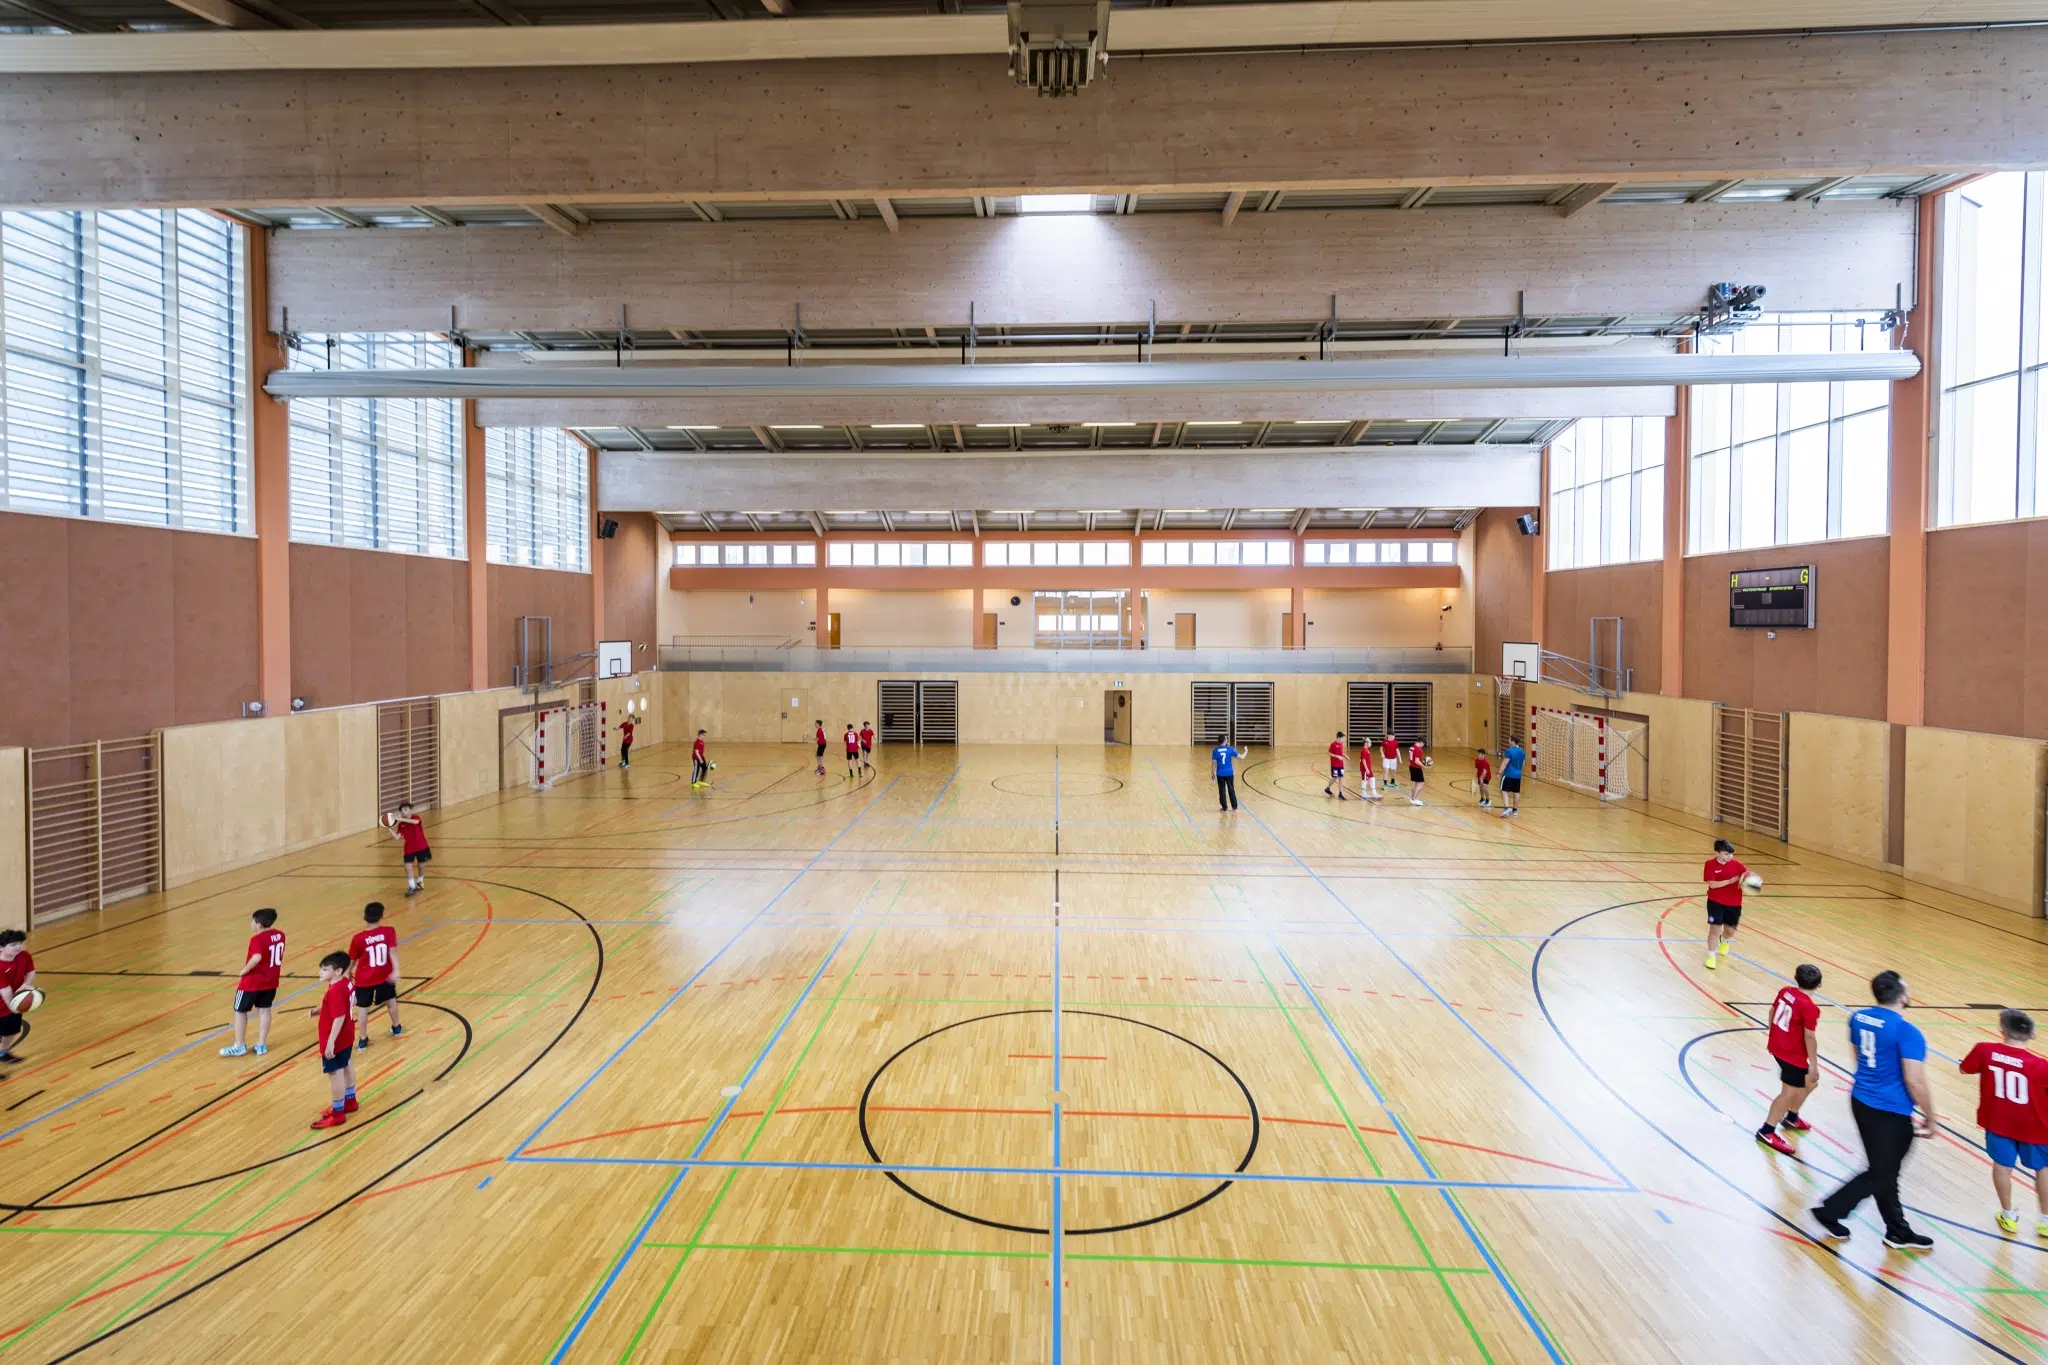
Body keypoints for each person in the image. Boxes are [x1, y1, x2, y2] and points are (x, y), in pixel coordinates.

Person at [1811, 970, 1936, 1249]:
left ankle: (1897, 1231)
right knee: (1882, 1172)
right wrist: (1931, 1115)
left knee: (1884, 1170)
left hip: (1861, 1100)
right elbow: (1914, 1080)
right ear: (1903, 996)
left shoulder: (1858, 1018)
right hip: (1890, 1112)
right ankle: (1830, 1211)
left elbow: (1857, 1058)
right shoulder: (1907, 1032)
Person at [1960, 1009, 2048, 1235]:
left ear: (2001, 1030)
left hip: (1998, 1123)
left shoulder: (1985, 1051)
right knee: (2043, 1169)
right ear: (2033, 1034)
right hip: (2035, 1127)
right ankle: (2045, 1221)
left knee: (2002, 1166)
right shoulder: (2042, 1066)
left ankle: (2008, 1216)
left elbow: (1965, 1068)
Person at [1757, 963, 1823, 1155]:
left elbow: (1772, 1012)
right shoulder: (1810, 1007)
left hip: (1778, 1047)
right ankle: (1767, 1131)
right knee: (1788, 1093)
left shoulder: (1786, 991)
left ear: (1795, 978)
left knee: (1809, 1084)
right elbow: (1809, 1037)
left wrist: (1773, 1034)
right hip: (1791, 1055)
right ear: (1819, 985)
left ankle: (1792, 1117)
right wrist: (1814, 1065)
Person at [221, 907, 284, 1058]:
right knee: (265, 1010)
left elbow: (256, 957)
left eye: (252, 921)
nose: (251, 924)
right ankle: (261, 1044)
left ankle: (239, 1045)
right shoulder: (280, 935)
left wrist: (244, 970)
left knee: (240, 1011)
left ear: (259, 925)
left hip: (252, 983)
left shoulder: (257, 939)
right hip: (271, 981)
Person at [308, 951, 359, 1130]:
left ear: (337, 971)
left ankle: (338, 1113)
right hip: (347, 1035)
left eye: (324, 969)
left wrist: (330, 1043)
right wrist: (321, 1009)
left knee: (335, 1074)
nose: (320, 973)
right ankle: (350, 1101)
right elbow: (347, 1005)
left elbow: (339, 1016)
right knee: (347, 1064)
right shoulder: (346, 983)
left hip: (336, 1039)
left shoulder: (335, 990)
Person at [348, 902, 402, 1051]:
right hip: (385, 976)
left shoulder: (358, 938)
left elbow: (352, 960)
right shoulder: (389, 931)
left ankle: (363, 1039)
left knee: (363, 1010)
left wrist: (348, 973)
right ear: (381, 916)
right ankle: (396, 1027)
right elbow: (393, 952)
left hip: (364, 979)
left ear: (365, 917)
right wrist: (396, 970)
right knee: (391, 1002)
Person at [1703, 837, 1747, 969]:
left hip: (1734, 904)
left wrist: (1747, 884)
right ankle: (1711, 956)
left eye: (1731, 854)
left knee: (1729, 931)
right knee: (1714, 929)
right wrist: (1730, 881)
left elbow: (1746, 879)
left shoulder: (1738, 865)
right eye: (1726, 854)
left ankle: (1725, 940)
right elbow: (1712, 884)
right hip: (1715, 902)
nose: (1730, 856)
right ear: (1717, 853)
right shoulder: (1710, 864)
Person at [0, 929, 36, 1063]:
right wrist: (13, 1007)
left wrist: (26, 985)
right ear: (1, 948)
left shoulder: (24, 956)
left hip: (12, 1002)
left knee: (11, 1031)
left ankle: (3, 1053)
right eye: (13, 944)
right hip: (6, 1002)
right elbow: (5, 991)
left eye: (20, 943)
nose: (19, 946)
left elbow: (31, 972)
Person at [392, 801, 431, 897]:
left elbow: (415, 822)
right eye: (401, 811)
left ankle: (420, 880)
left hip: (421, 846)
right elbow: (397, 837)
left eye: (405, 809)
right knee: (407, 867)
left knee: (421, 866)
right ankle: (412, 887)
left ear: (410, 810)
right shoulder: (401, 825)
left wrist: (400, 819)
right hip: (409, 849)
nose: (403, 812)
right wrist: (389, 828)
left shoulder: (415, 817)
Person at [1213, 739, 1245, 811]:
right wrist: (1246, 751)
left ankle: (1224, 807)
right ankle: (1234, 807)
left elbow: (1214, 763)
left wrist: (1213, 773)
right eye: (1226, 739)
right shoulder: (1230, 749)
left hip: (1220, 774)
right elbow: (1241, 757)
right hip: (1229, 773)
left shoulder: (1215, 750)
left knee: (1222, 790)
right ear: (1224, 741)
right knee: (1231, 789)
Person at [1498, 739, 1526, 817]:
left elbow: (1504, 763)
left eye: (1509, 740)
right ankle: (1515, 810)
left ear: (1513, 741)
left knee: (1503, 790)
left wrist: (1499, 772)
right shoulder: (1523, 752)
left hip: (1509, 774)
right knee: (1516, 792)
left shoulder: (1509, 751)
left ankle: (1507, 807)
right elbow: (1523, 764)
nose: (1508, 741)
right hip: (1518, 775)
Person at [1324, 731, 1348, 800]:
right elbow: (1329, 753)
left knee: (1340, 778)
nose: (1343, 740)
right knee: (1334, 777)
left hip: (1341, 764)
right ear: (1338, 738)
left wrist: (1345, 755)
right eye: (1342, 738)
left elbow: (1340, 752)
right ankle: (1327, 788)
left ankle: (1340, 794)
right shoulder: (1333, 744)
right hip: (1334, 764)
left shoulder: (1341, 744)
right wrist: (1337, 756)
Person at [1406, 737, 1430, 806]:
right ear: (1421, 742)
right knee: (1420, 784)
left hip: (1411, 767)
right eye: (1423, 744)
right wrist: (1423, 766)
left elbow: (1412, 758)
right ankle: (1414, 799)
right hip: (1416, 768)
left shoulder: (1411, 748)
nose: (1423, 746)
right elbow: (1417, 761)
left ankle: (1413, 798)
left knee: (1415, 784)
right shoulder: (1418, 750)